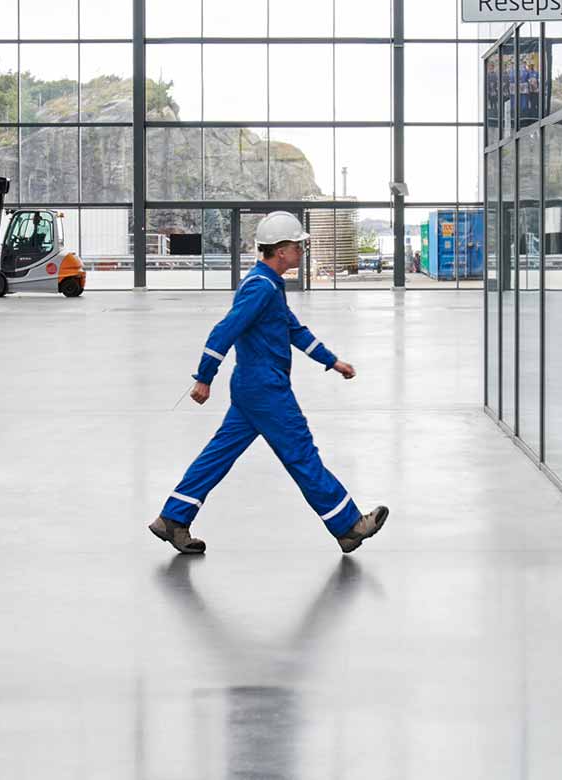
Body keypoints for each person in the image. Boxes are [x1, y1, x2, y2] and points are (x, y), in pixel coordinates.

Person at [149, 211, 390, 555]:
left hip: (253, 388)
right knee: (301, 452)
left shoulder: (270, 285)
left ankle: (173, 518)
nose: (302, 252)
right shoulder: (260, 288)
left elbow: (293, 330)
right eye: (297, 246)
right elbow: (224, 331)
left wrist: (333, 362)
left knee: (218, 454)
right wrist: (204, 378)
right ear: (280, 251)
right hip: (266, 390)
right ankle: (348, 525)